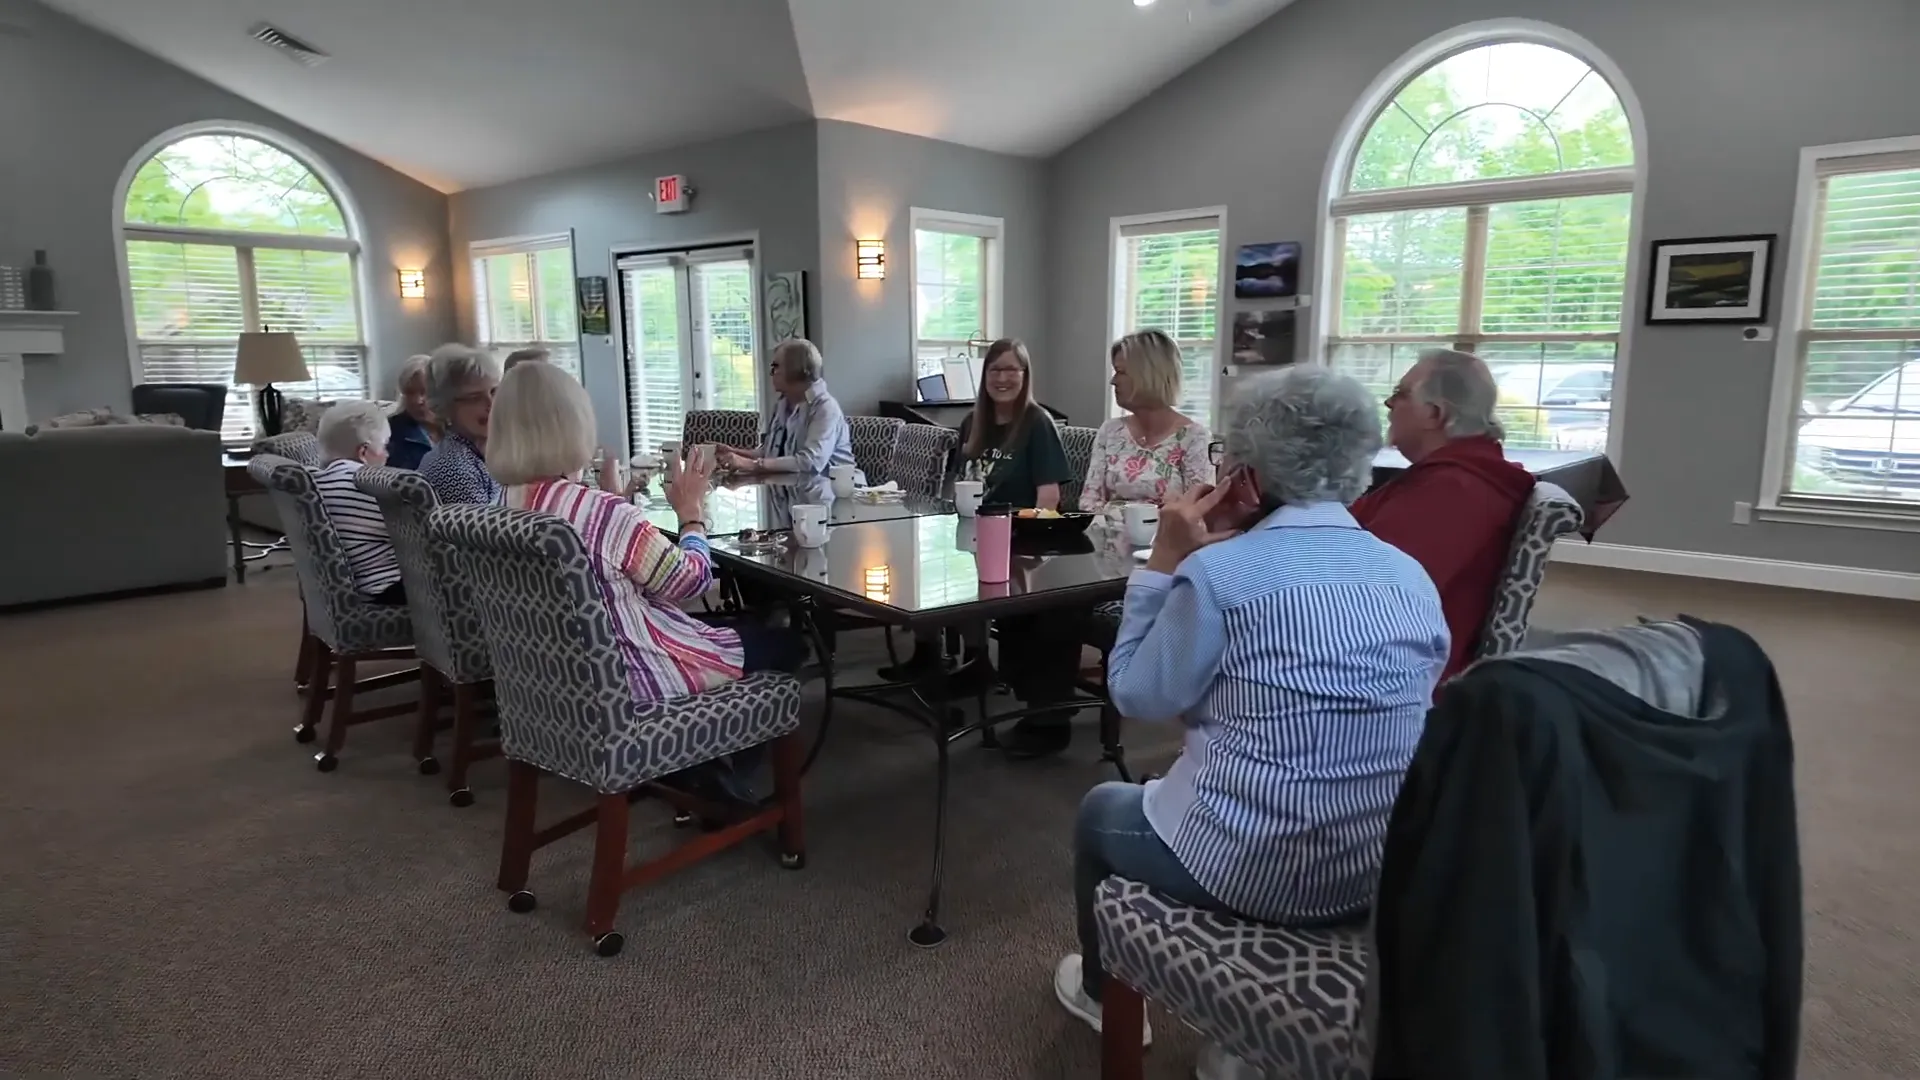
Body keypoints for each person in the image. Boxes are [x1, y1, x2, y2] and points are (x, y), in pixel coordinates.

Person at [1051, 366, 1450, 1045]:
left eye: (1227, 460)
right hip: (1377, 866)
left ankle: (1101, 989)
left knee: (1100, 811)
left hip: (1256, 870)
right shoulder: (1407, 573)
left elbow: (1136, 693)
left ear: (1250, 478)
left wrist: (1163, 564)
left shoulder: (1219, 576)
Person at [489, 361, 807, 801]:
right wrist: (691, 514)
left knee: (741, 630)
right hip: (633, 684)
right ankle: (718, 774)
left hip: (553, 690)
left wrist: (614, 508)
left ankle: (699, 764)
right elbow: (691, 582)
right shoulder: (599, 513)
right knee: (790, 644)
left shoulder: (499, 504)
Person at [1351, 348, 1535, 681]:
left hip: (1393, 673)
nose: (1389, 405)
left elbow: (1371, 595)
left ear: (1435, 414)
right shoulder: (1461, 474)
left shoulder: (1454, 492)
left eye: (1401, 394)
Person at [1078, 330, 1214, 513]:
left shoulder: (1194, 438)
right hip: (1104, 535)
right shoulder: (1110, 431)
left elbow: (1198, 513)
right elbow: (1088, 502)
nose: (1113, 381)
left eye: (1121, 372)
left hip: (1164, 539)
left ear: (1148, 376)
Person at [718, 339, 860, 481]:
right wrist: (735, 454)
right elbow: (770, 455)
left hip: (836, 494)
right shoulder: (782, 404)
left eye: (776, 367)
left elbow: (810, 462)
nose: (771, 373)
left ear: (795, 369)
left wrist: (751, 465)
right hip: (794, 492)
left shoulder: (825, 407)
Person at [958, 338, 1072, 510]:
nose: (1002, 378)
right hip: (972, 527)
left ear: (1024, 375)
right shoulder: (970, 422)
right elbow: (956, 484)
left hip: (1020, 530)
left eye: (1011, 370)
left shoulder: (1038, 423)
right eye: (994, 370)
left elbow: (1049, 499)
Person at [313, 401, 405, 606]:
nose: (387, 454)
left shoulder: (320, 481)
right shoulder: (363, 485)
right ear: (363, 452)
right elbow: (414, 534)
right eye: (384, 445)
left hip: (355, 586)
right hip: (385, 589)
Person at [417, 344, 503, 505]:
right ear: (446, 406)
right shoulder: (454, 469)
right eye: (474, 398)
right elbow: (484, 529)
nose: (491, 404)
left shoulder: (480, 454)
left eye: (494, 392)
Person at [385, 353, 437, 470]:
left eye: (425, 392)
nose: (417, 401)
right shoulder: (389, 432)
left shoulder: (458, 429)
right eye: (410, 392)